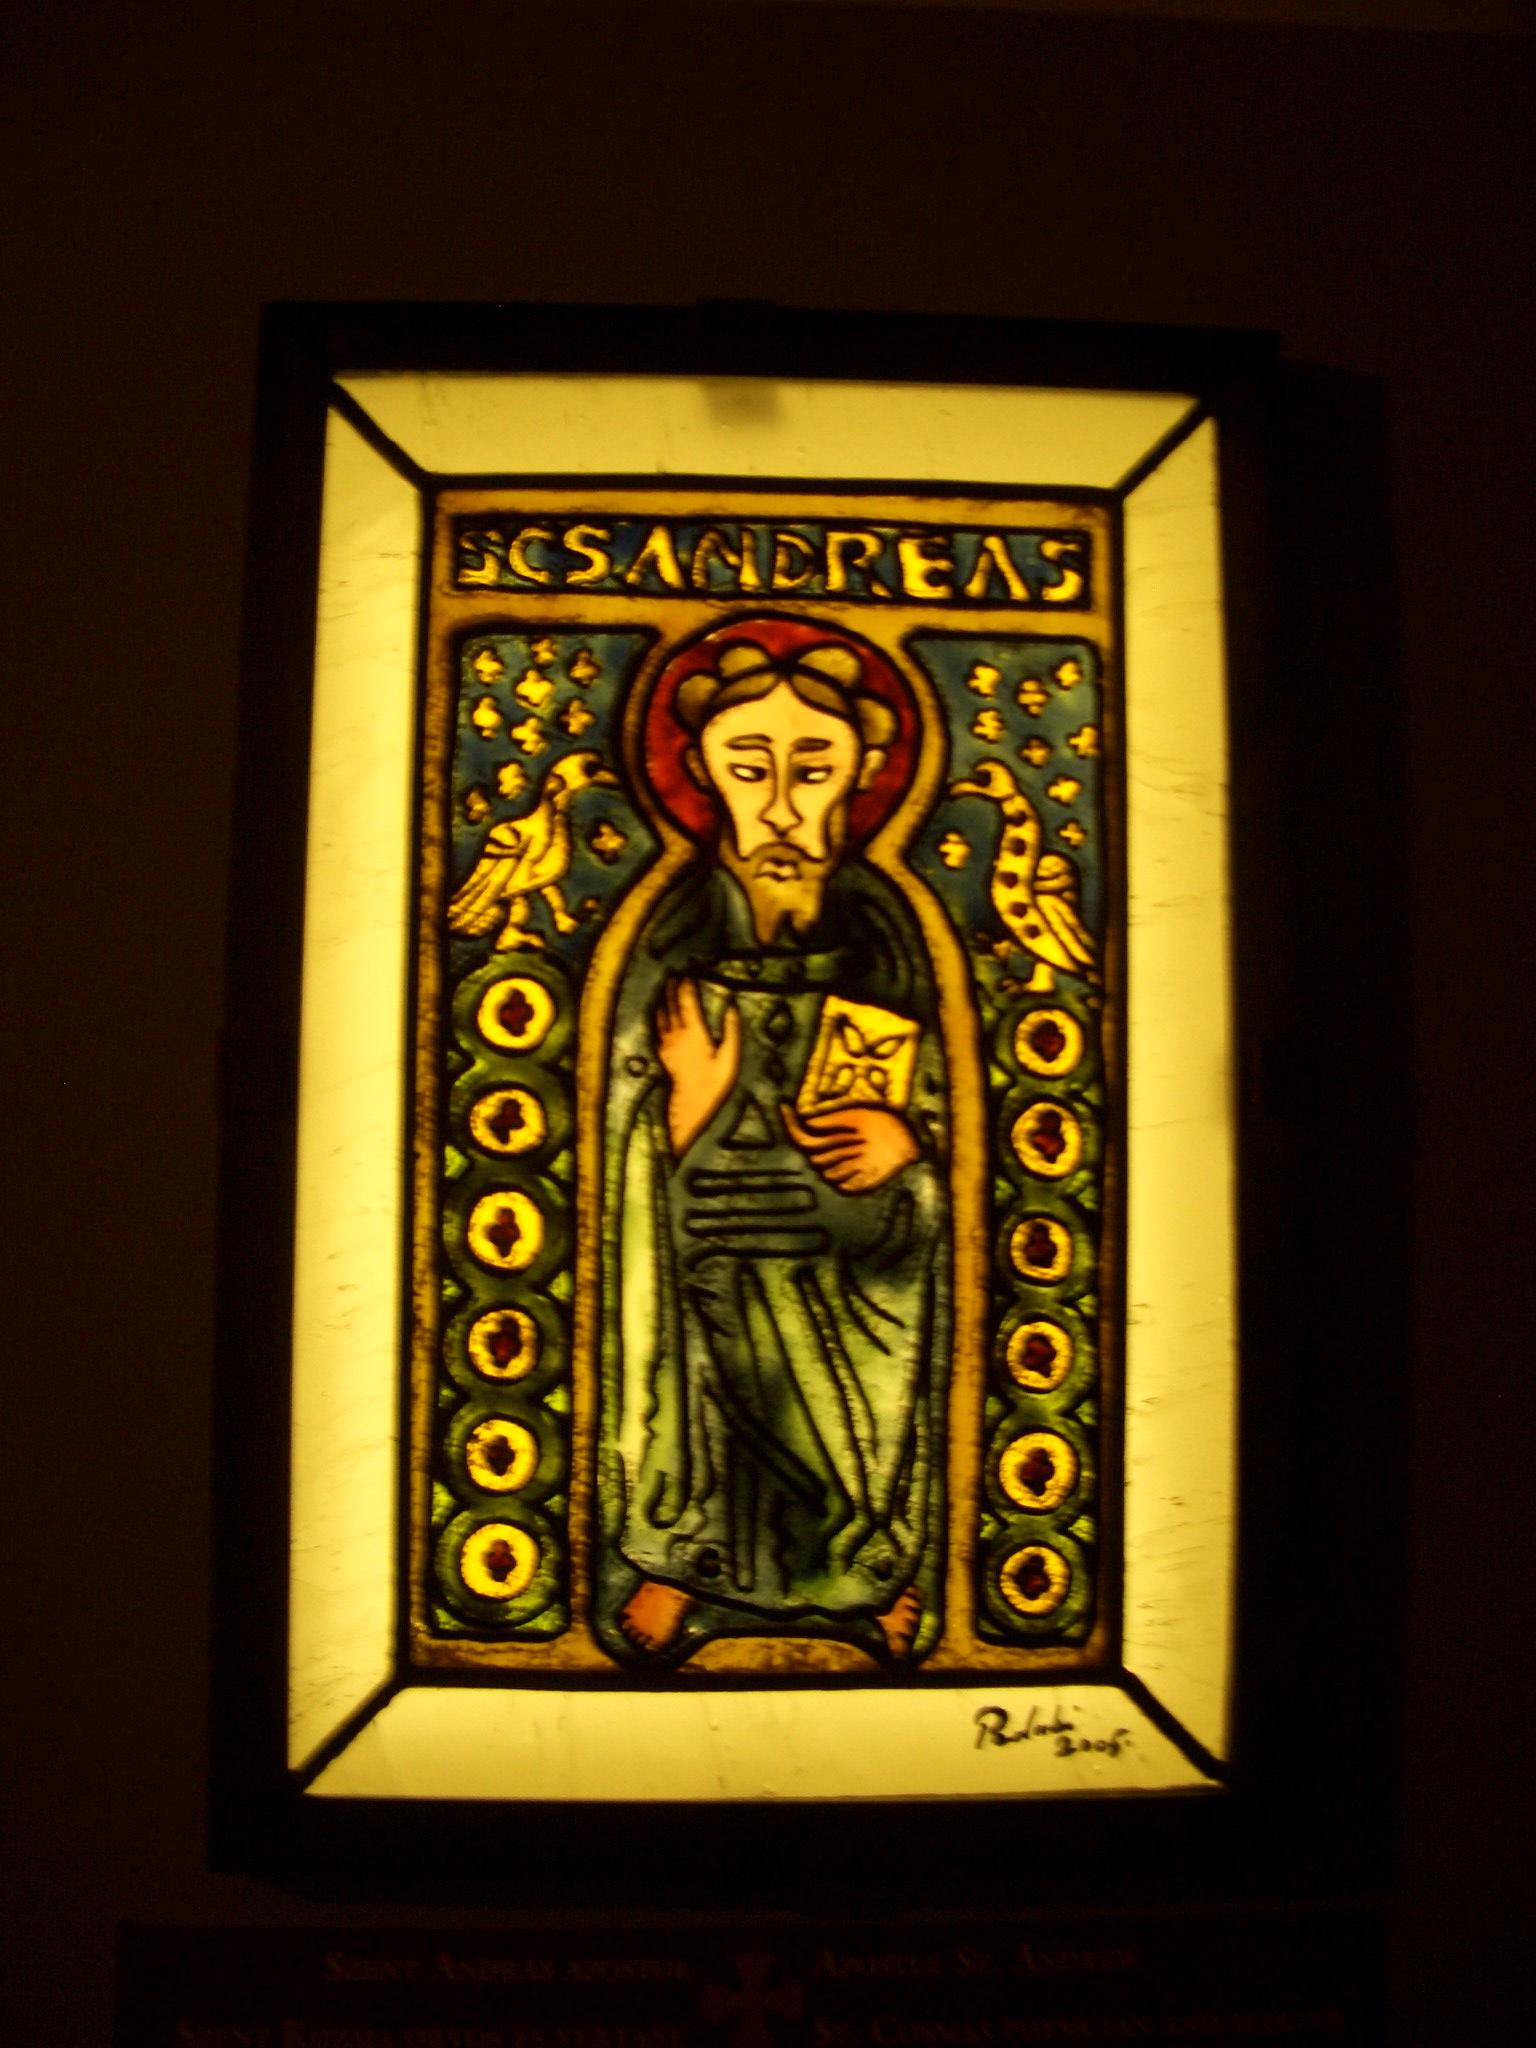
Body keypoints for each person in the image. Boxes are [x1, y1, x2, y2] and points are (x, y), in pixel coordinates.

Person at [599, 634, 950, 1665]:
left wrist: (907, 1142)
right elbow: (624, 1105)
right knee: (698, 1340)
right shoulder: (675, 926)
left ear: (865, 773)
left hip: (852, 1224)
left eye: (815, 769)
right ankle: (682, 1555)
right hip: (710, 1205)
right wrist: (688, 1110)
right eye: (752, 770)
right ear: (702, 773)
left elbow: (944, 1092)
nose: (785, 808)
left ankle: (868, 1561)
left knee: (873, 1358)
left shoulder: (885, 926)